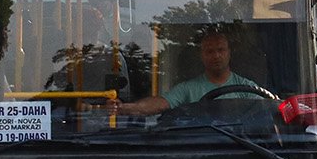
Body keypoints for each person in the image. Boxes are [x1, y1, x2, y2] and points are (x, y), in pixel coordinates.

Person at [108, 31, 260, 116]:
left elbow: (269, 108)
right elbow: (160, 103)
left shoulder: (247, 88)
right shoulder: (187, 89)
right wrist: (124, 108)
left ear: (229, 53)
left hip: (240, 149)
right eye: (210, 51)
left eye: (221, 50)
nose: (216, 56)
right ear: (201, 55)